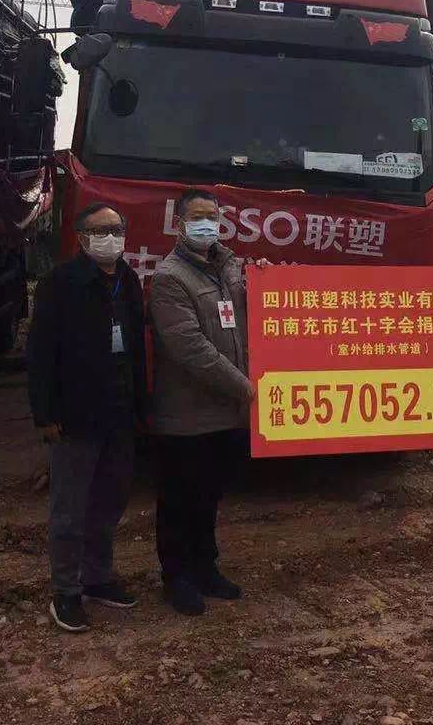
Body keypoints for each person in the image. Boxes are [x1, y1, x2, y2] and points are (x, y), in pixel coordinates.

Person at [28, 202, 148, 633]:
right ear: (82, 239)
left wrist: (141, 406)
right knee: (70, 510)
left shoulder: (128, 281)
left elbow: (137, 350)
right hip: (75, 416)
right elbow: (40, 353)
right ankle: (66, 590)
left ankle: (98, 578)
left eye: (117, 229)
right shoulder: (60, 283)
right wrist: (44, 413)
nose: (111, 238)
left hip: (119, 413)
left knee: (109, 502)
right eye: (101, 231)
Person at [149, 188, 264, 617]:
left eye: (212, 217)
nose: (206, 224)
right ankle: (177, 577)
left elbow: (246, 320)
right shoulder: (170, 278)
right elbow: (190, 348)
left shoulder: (228, 267)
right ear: (178, 224)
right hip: (186, 415)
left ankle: (205, 567)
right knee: (179, 499)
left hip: (224, 413)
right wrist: (243, 386)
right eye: (197, 217)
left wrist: (266, 286)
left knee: (209, 497)